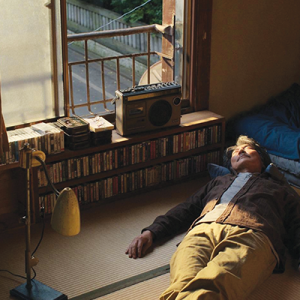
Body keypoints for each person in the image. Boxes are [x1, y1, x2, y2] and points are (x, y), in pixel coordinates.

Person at [125, 135, 300, 300]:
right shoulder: (219, 182)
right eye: (236, 151)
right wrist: (151, 232)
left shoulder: (279, 188)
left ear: (262, 160)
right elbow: (187, 208)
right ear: (231, 165)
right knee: (182, 284)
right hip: (201, 231)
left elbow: (297, 222)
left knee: (213, 286)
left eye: (248, 148)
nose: (241, 151)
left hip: (253, 234)